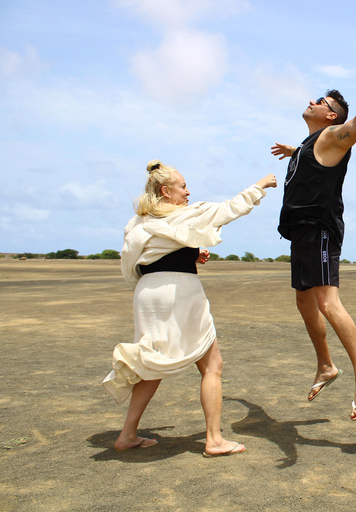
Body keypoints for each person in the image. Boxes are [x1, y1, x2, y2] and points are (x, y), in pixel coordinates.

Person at [103, 160, 277, 456]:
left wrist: (188, 257)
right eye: (182, 186)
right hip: (180, 291)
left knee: (152, 362)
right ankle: (214, 439)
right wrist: (260, 185)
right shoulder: (185, 215)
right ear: (165, 191)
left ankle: (127, 435)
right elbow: (228, 209)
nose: (187, 192)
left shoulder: (137, 223)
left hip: (147, 293)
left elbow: (139, 259)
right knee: (212, 365)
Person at [270, 77, 356, 421]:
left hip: (320, 230)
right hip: (301, 233)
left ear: (331, 117)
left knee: (327, 302)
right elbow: (311, 155)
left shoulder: (334, 136)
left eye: (321, 101)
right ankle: (325, 366)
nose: (313, 101)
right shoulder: (310, 144)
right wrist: (295, 151)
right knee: (304, 300)